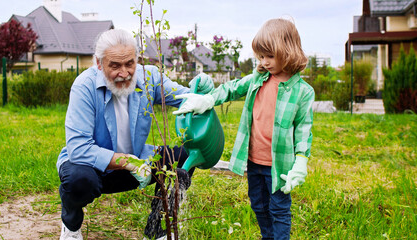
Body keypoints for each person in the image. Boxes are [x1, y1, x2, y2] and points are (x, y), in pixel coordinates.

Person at [57, 29, 214, 240]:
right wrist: (126, 161)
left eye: (129, 63)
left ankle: (160, 229)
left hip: (138, 163)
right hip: (93, 168)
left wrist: (201, 94)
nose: (124, 73)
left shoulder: (148, 78)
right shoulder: (84, 86)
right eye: (115, 66)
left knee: (184, 155)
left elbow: (183, 97)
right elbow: (79, 149)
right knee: (79, 180)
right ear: (99, 63)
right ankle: (71, 226)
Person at [173, 18, 314, 239]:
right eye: (261, 56)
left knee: (279, 209)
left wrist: (301, 161)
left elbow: (304, 129)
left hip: (279, 166)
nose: (264, 62)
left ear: (287, 51)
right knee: (258, 205)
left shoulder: (303, 92)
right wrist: (208, 100)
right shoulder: (259, 78)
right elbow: (231, 89)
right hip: (254, 161)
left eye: (270, 56)